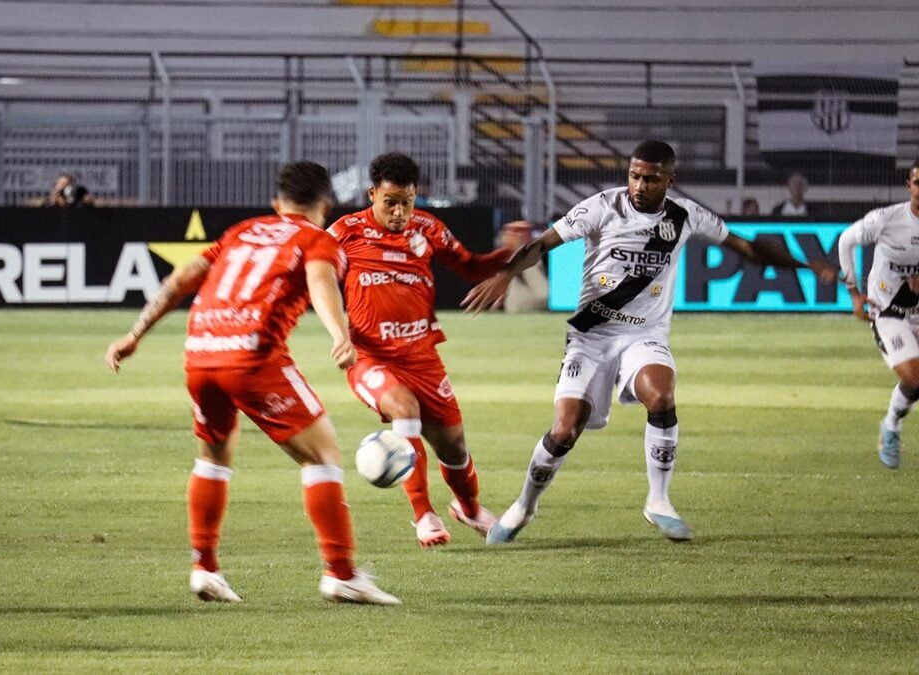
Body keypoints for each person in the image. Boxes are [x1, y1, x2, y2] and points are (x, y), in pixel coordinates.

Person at [464, 140, 838, 543]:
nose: (640, 185)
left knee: (660, 396)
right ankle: (524, 505)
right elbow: (542, 244)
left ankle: (658, 501)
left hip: (644, 334)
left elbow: (746, 248)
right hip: (591, 335)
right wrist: (505, 273)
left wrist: (803, 263)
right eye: (635, 176)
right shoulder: (601, 207)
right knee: (566, 428)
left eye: (651, 179)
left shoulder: (686, 216)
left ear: (669, 180)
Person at [105, 160, 399, 605]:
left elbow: (180, 279)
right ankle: (341, 573)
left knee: (213, 456)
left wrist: (135, 333)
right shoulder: (317, 239)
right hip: (251, 356)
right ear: (325, 203)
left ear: (276, 202)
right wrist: (341, 335)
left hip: (200, 352)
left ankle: (204, 568)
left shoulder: (240, 232)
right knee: (323, 454)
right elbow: (321, 283)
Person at [327, 152, 515, 548]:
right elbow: (316, 274)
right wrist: (337, 332)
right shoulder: (345, 231)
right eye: (390, 202)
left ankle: (468, 507)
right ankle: (423, 514)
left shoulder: (428, 228)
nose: (398, 212)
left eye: (407, 202)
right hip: (370, 357)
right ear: (372, 194)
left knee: (454, 446)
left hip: (422, 356)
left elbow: (471, 267)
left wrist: (509, 253)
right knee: (403, 410)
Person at [837, 159, 919, 470]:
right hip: (888, 312)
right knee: (914, 376)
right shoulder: (888, 220)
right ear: (908, 186)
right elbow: (846, 241)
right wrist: (854, 293)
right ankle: (891, 426)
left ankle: (893, 420)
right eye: (917, 183)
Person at [496, 220, 549, 312]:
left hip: (534, 308)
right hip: (517, 310)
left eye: (523, 232)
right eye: (514, 232)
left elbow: (543, 295)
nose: (519, 235)